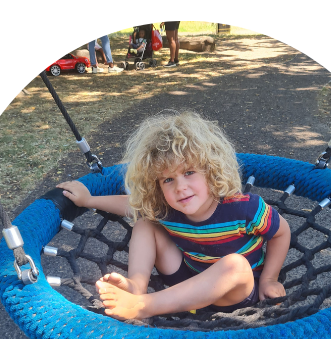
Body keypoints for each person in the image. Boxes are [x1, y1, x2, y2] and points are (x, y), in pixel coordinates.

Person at [56, 111, 291, 321]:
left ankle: (143, 306)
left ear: (212, 171)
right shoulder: (166, 207)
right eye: (168, 179)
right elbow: (132, 204)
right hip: (186, 283)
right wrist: (89, 200)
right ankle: (137, 287)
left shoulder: (245, 208)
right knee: (145, 223)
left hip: (235, 296)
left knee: (235, 265)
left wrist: (269, 279)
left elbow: (281, 232)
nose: (180, 187)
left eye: (189, 172)